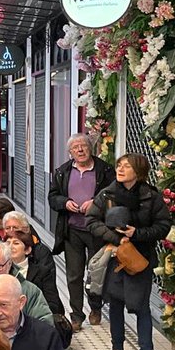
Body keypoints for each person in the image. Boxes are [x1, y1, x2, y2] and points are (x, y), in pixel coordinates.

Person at [85, 152, 171, 350]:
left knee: (141, 307)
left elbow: (163, 226)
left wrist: (138, 234)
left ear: (139, 171)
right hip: (114, 258)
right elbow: (91, 221)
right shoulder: (107, 194)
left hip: (138, 260)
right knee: (115, 305)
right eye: (119, 165)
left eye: (127, 166)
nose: (121, 169)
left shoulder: (151, 197)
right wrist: (115, 238)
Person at [49, 134, 115, 332]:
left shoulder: (105, 170)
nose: (80, 150)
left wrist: (96, 202)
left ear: (90, 148)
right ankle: (76, 315)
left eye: (83, 146)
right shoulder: (62, 171)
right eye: (75, 147)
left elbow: (112, 195)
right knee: (73, 275)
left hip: (97, 230)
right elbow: (53, 197)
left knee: (96, 273)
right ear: (70, 152)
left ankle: (96, 308)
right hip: (72, 230)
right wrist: (64, 203)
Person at [4, 225, 66, 319]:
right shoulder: (1, 271)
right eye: (7, 243)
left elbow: (52, 301)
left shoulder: (42, 271)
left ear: (28, 250)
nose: (10, 247)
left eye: (16, 243)